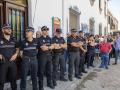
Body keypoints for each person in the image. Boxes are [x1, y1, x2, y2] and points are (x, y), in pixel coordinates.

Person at [0, 24, 19, 90]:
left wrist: (16, 54)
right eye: (7, 28)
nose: (9, 30)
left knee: (13, 81)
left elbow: (17, 48)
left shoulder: (14, 39)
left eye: (10, 28)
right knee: (1, 81)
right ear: (3, 30)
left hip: (12, 63)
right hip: (3, 63)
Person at [37, 26, 55, 90]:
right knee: (41, 72)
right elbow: (43, 48)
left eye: (47, 30)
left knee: (49, 71)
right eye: (44, 30)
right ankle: (40, 86)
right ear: (42, 31)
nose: (46, 31)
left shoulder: (49, 38)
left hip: (49, 56)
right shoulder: (39, 39)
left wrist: (49, 47)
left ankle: (49, 83)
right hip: (42, 57)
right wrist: (50, 47)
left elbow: (53, 46)